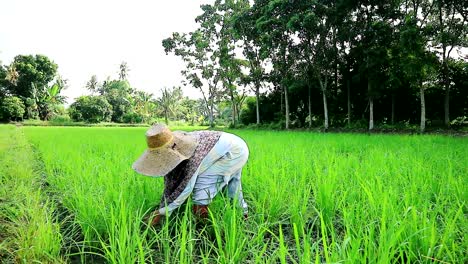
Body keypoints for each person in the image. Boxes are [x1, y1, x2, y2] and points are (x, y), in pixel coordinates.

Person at [132, 124, 249, 226]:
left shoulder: (193, 157)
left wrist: (161, 212)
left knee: (201, 194)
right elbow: (171, 180)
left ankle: (203, 231)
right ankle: (243, 214)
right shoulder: (182, 143)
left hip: (230, 152)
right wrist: (163, 204)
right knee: (233, 187)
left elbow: (186, 186)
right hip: (234, 143)